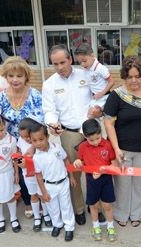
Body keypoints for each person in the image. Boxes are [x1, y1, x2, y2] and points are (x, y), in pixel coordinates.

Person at [42, 44, 102, 226]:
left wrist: (100, 110)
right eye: (55, 64)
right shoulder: (49, 84)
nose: (59, 67)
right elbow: (49, 110)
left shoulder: (86, 75)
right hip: (70, 134)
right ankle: (79, 210)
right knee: (74, 174)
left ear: (70, 59)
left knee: (97, 172)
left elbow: (100, 96)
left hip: (93, 132)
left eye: (62, 62)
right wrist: (52, 124)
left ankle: (98, 207)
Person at [0, 56, 44, 219]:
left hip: (32, 142)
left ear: (26, 77)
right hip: (11, 144)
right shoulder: (0, 97)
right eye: (11, 76)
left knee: (35, 171)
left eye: (19, 76)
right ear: (5, 77)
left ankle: (40, 199)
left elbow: (42, 122)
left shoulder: (35, 95)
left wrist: (33, 146)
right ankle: (28, 202)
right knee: (20, 174)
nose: (15, 79)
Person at [104, 55, 141, 227]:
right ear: (124, 76)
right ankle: (121, 213)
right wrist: (116, 148)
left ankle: (136, 213)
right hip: (123, 149)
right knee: (123, 185)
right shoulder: (116, 96)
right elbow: (109, 123)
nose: (134, 80)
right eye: (130, 76)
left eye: (138, 76)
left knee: (139, 184)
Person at [31, 120, 77, 242]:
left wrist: (71, 176)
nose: (38, 143)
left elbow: (66, 160)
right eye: (34, 141)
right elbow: (39, 176)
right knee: (53, 207)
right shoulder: (36, 157)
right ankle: (57, 224)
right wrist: (43, 192)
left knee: (66, 206)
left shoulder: (57, 147)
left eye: (41, 139)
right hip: (49, 186)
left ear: (47, 137)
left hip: (63, 182)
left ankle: (69, 227)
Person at [74, 119, 117, 241]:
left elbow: (114, 165)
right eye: (91, 140)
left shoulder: (108, 145)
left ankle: (110, 226)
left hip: (106, 179)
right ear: (84, 136)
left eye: (98, 138)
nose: (95, 142)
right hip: (91, 180)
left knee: (107, 205)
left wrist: (103, 171)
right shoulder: (82, 147)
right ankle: (96, 226)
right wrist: (79, 162)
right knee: (94, 205)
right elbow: (82, 161)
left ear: (101, 131)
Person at [17, 118, 52, 231]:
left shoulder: (38, 141)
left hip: (41, 175)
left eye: (27, 136)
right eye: (22, 136)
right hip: (28, 175)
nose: (25, 139)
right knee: (34, 195)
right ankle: (37, 217)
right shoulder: (21, 141)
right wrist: (19, 162)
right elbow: (18, 153)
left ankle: (46, 214)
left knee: (42, 195)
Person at [74, 43, 114, 109]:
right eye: (80, 62)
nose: (82, 64)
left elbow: (111, 82)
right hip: (94, 97)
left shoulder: (100, 68)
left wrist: (101, 93)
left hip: (104, 97)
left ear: (92, 55)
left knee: (92, 113)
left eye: (84, 61)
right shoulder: (86, 68)